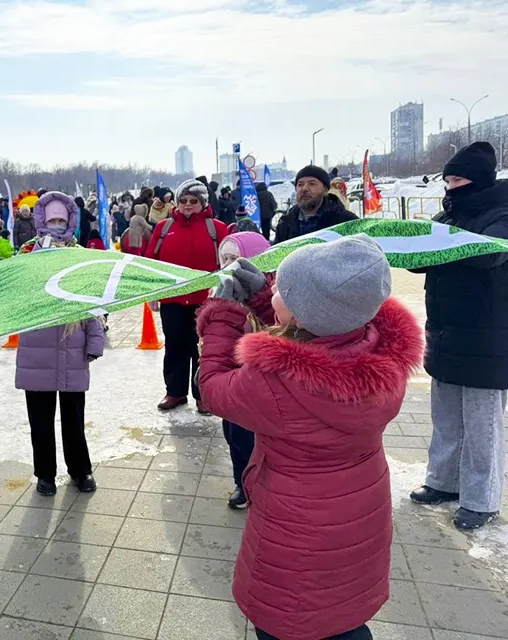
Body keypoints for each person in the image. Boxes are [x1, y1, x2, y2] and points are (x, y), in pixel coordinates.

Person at [197, 236, 422, 640]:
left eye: (284, 289)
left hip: (295, 530)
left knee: (289, 620)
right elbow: (319, 336)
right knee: (344, 616)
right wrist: (266, 300)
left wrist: (222, 316)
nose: (277, 290)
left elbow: (213, 388)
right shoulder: (381, 352)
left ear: (302, 314)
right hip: (358, 517)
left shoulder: (275, 383)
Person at [409, 142, 508, 531]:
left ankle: (481, 500)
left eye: (459, 179)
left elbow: (488, 255)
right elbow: (420, 260)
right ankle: (443, 482)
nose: (451, 187)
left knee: (482, 423)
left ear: (480, 180)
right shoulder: (445, 216)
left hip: (487, 337)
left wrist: (439, 241)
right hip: (445, 331)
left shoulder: (500, 214)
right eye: (448, 180)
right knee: (446, 415)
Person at [16, 191, 104, 496]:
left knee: (73, 418)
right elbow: (13, 298)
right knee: (39, 420)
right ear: (42, 221)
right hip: (36, 347)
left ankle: (80, 470)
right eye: (51, 219)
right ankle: (45, 474)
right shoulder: (27, 255)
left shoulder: (79, 255)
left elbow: (93, 301)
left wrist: (95, 340)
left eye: (61, 220)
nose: (56, 225)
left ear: (70, 222)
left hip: (72, 345)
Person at [146, 180, 228, 412]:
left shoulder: (218, 229)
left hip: (206, 301)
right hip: (173, 299)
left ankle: (203, 395)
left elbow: (229, 262)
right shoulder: (163, 227)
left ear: (203, 203)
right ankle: (175, 392)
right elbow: (151, 261)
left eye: (194, 201)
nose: (188, 205)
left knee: (203, 348)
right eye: (183, 201)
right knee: (175, 346)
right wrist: (153, 292)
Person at [211, 231, 271, 509]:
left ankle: (263, 484)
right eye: (225, 258)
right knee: (234, 436)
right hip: (233, 382)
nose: (229, 265)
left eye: (236, 259)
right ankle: (241, 483)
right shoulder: (221, 290)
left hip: (264, 385)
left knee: (259, 439)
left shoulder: (272, 295)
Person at [274, 166, 357, 244]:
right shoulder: (285, 223)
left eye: (312, 184)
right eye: (300, 184)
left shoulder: (346, 221)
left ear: (325, 190)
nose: (304, 188)